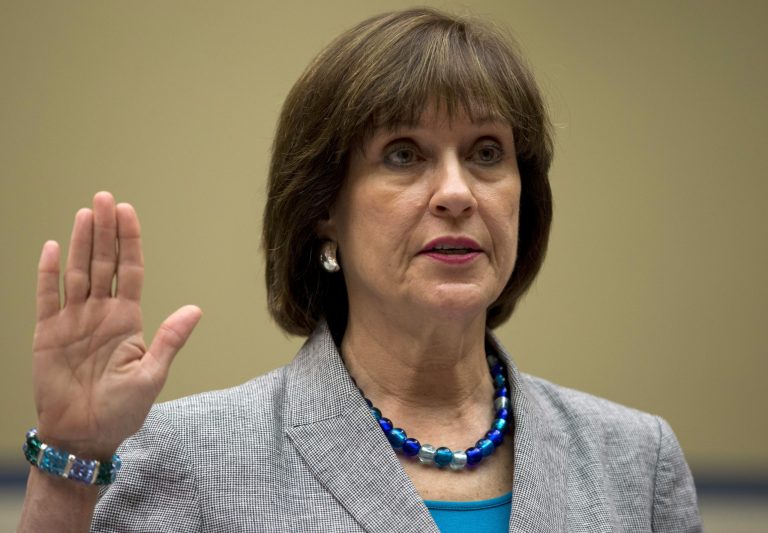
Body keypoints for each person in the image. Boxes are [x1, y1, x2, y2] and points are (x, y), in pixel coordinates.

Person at [17, 8, 702, 532]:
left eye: (487, 152)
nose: (457, 192)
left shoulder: (635, 460)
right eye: (404, 154)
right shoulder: (191, 456)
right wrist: (67, 464)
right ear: (324, 210)